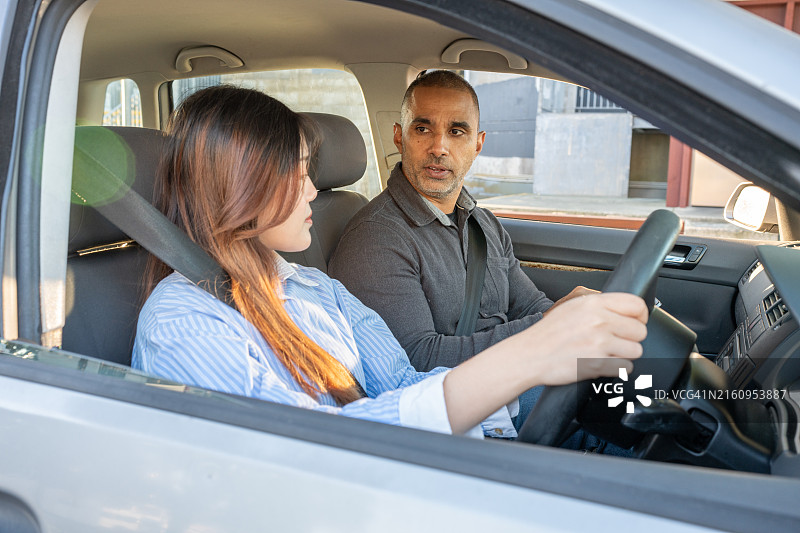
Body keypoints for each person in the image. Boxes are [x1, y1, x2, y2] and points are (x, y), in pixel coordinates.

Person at [132, 85, 647, 440]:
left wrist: (539, 376)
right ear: (237, 186)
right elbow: (314, 448)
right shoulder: (182, 324)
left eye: (311, 172)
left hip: (419, 460)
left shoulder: (314, 287)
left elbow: (402, 384)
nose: (313, 189)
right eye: (296, 173)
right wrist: (531, 353)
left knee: (654, 404)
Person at [328, 71, 599, 439]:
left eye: (457, 131)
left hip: (511, 385)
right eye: (422, 129)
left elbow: (530, 306)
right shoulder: (375, 238)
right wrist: (550, 327)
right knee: (614, 407)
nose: (439, 146)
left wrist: (573, 323)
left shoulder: (482, 224)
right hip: (469, 419)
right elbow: (417, 362)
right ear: (399, 136)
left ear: (478, 143)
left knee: (633, 376)